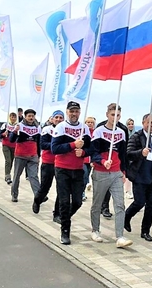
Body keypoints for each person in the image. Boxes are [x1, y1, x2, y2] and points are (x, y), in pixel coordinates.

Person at [90, 103, 133, 248]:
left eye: (118, 115)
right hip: (100, 172)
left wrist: (124, 171)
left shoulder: (121, 132)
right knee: (97, 203)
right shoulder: (99, 131)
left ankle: (120, 236)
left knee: (120, 204)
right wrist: (102, 161)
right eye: (113, 114)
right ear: (107, 115)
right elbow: (93, 152)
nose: (115, 117)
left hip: (116, 172)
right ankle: (95, 230)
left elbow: (123, 154)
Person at [51, 101, 92, 245]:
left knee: (77, 201)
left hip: (78, 169)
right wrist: (73, 145)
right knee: (63, 200)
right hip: (62, 169)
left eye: (76, 111)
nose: (74, 114)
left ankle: (64, 218)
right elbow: (54, 149)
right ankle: (65, 232)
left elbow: (91, 148)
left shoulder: (84, 128)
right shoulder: (61, 127)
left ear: (80, 112)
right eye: (71, 111)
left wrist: (84, 151)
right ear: (67, 112)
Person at [124, 114, 152, 243]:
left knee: (151, 206)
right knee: (139, 202)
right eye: (150, 123)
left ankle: (145, 231)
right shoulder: (137, 136)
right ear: (143, 122)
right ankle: (126, 217)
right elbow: (129, 154)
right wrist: (140, 153)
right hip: (140, 175)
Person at [32, 110, 64, 223]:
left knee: (61, 190)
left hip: (61, 163)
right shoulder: (47, 129)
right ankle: (37, 199)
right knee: (45, 186)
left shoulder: (65, 130)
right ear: (52, 119)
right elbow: (43, 144)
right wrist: (56, 146)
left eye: (61, 118)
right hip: (48, 162)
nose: (59, 120)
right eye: (57, 117)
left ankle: (57, 214)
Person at [9, 108, 41, 202]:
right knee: (17, 176)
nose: (31, 118)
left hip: (33, 155)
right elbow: (11, 139)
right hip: (20, 155)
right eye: (29, 116)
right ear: (25, 117)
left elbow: (39, 142)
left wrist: (38, 155)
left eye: (32, 116)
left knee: (33, 176)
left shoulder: (37, 127)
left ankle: (38, 195)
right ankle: (14, 194)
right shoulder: (20, 126)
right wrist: (15, 131)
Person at [0, 112, 18, 184]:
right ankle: (7, 176)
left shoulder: (17, 126)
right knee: (8, 161)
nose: (13, 118)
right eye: (11, 117)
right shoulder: (5, 125)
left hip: (14, 146)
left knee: (11, 160)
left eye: (14, 117)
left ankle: (8, 173)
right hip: (6, 145)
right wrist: (3, 134)